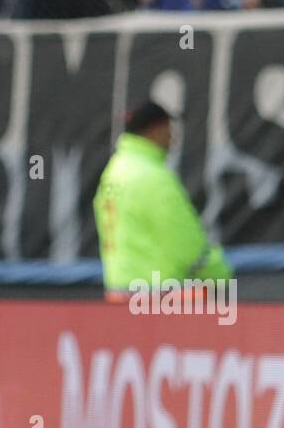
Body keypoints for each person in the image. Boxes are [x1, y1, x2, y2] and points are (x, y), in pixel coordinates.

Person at [93, 100, 232, 299]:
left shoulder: (114, 171)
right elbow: (186, 244)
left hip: (118, 293)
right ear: (154, 129)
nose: (172, 137)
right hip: (156, 298)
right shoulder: (153, 177)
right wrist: (220, 273)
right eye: (169, 129)